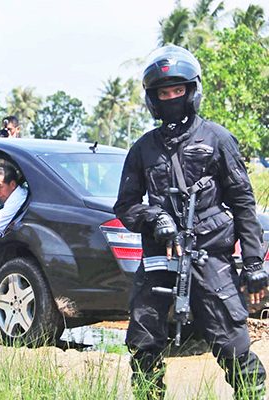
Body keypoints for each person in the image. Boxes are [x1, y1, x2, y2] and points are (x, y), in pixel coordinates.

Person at [114, 45, 267, 399]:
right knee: (142, 341)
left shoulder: (218, 139)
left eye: (177, 90)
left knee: (231, 343)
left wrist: (254, 263)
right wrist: (155, 218)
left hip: (209, 255)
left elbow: (244, 204)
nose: (171, 98)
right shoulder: (142, 149)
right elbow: (125, 206)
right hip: (159, 256)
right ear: (153, 99)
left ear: (192, 91)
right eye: (163, 93)